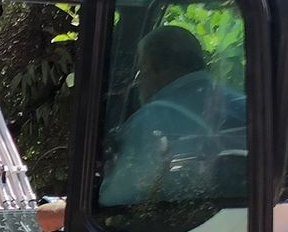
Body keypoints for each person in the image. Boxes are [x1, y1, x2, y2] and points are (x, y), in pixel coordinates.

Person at [97, 25, 243, 207]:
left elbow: (114, 201)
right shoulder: (243, 106)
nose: (139, 81)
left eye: (142, 71)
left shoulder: (148, 121)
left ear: (155, 70)